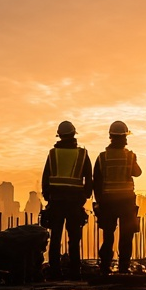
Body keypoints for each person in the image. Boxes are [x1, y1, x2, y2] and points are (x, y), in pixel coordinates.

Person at [41, 120, 94, 280]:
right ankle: (75, 272)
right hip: (74, 202)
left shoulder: (53, 154)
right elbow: (89, 178)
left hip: (56, 201)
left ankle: (55, 271)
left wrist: (48, 197)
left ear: (59, 135)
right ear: (73, 134)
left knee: (55, 237)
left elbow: (45, 177)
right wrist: (84, 196)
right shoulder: (82, 154)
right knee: (74, 238)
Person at [93, 120, 142, 275]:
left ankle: (105, 266)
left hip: (108, 201)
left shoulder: (102, 157)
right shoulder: (130, 156)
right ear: (124, 137)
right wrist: (134, 160)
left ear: (111, 137)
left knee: (108, 235)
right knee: (126, 235)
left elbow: (96, 181)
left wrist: (99, 202)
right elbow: (138, 173)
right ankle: (124, 267)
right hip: (126, 201)